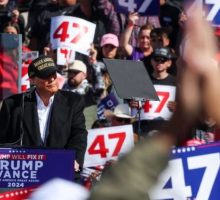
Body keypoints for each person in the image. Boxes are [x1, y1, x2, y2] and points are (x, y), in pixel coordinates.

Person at [89, 6, 220, 199]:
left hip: (174, 143)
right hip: (148, 136)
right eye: (155, 59)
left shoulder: (176, 82)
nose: (158, 62)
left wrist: (180, 119)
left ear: (170, 63)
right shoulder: (142, 78)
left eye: (162, 59)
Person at [0, 55, 87, 173]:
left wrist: (74, 158)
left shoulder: (73, 101)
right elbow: (0, 141)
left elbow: (79, 134)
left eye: (54, 74)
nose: (52, 79)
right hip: (24, 174)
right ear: (32, 80)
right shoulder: (13, 105)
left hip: (60, 171)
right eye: (46, 76)